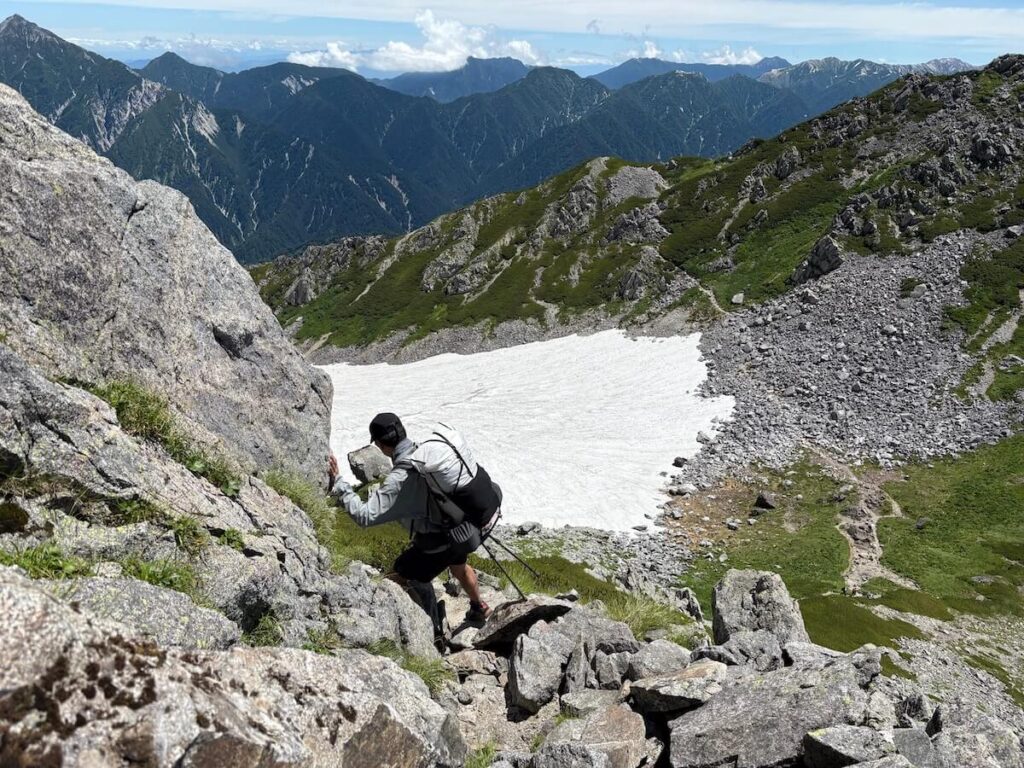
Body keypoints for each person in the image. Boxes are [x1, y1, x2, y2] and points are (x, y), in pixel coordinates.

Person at [327, 412, 502, 635]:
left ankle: (424, 636)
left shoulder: (400, 478)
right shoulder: (426, 455)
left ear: (381, 445)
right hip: (460, 528)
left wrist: (340, 483)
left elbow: (365, 516)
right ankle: (479, 606)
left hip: (437, 541)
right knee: (458, 565)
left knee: (395, 578)